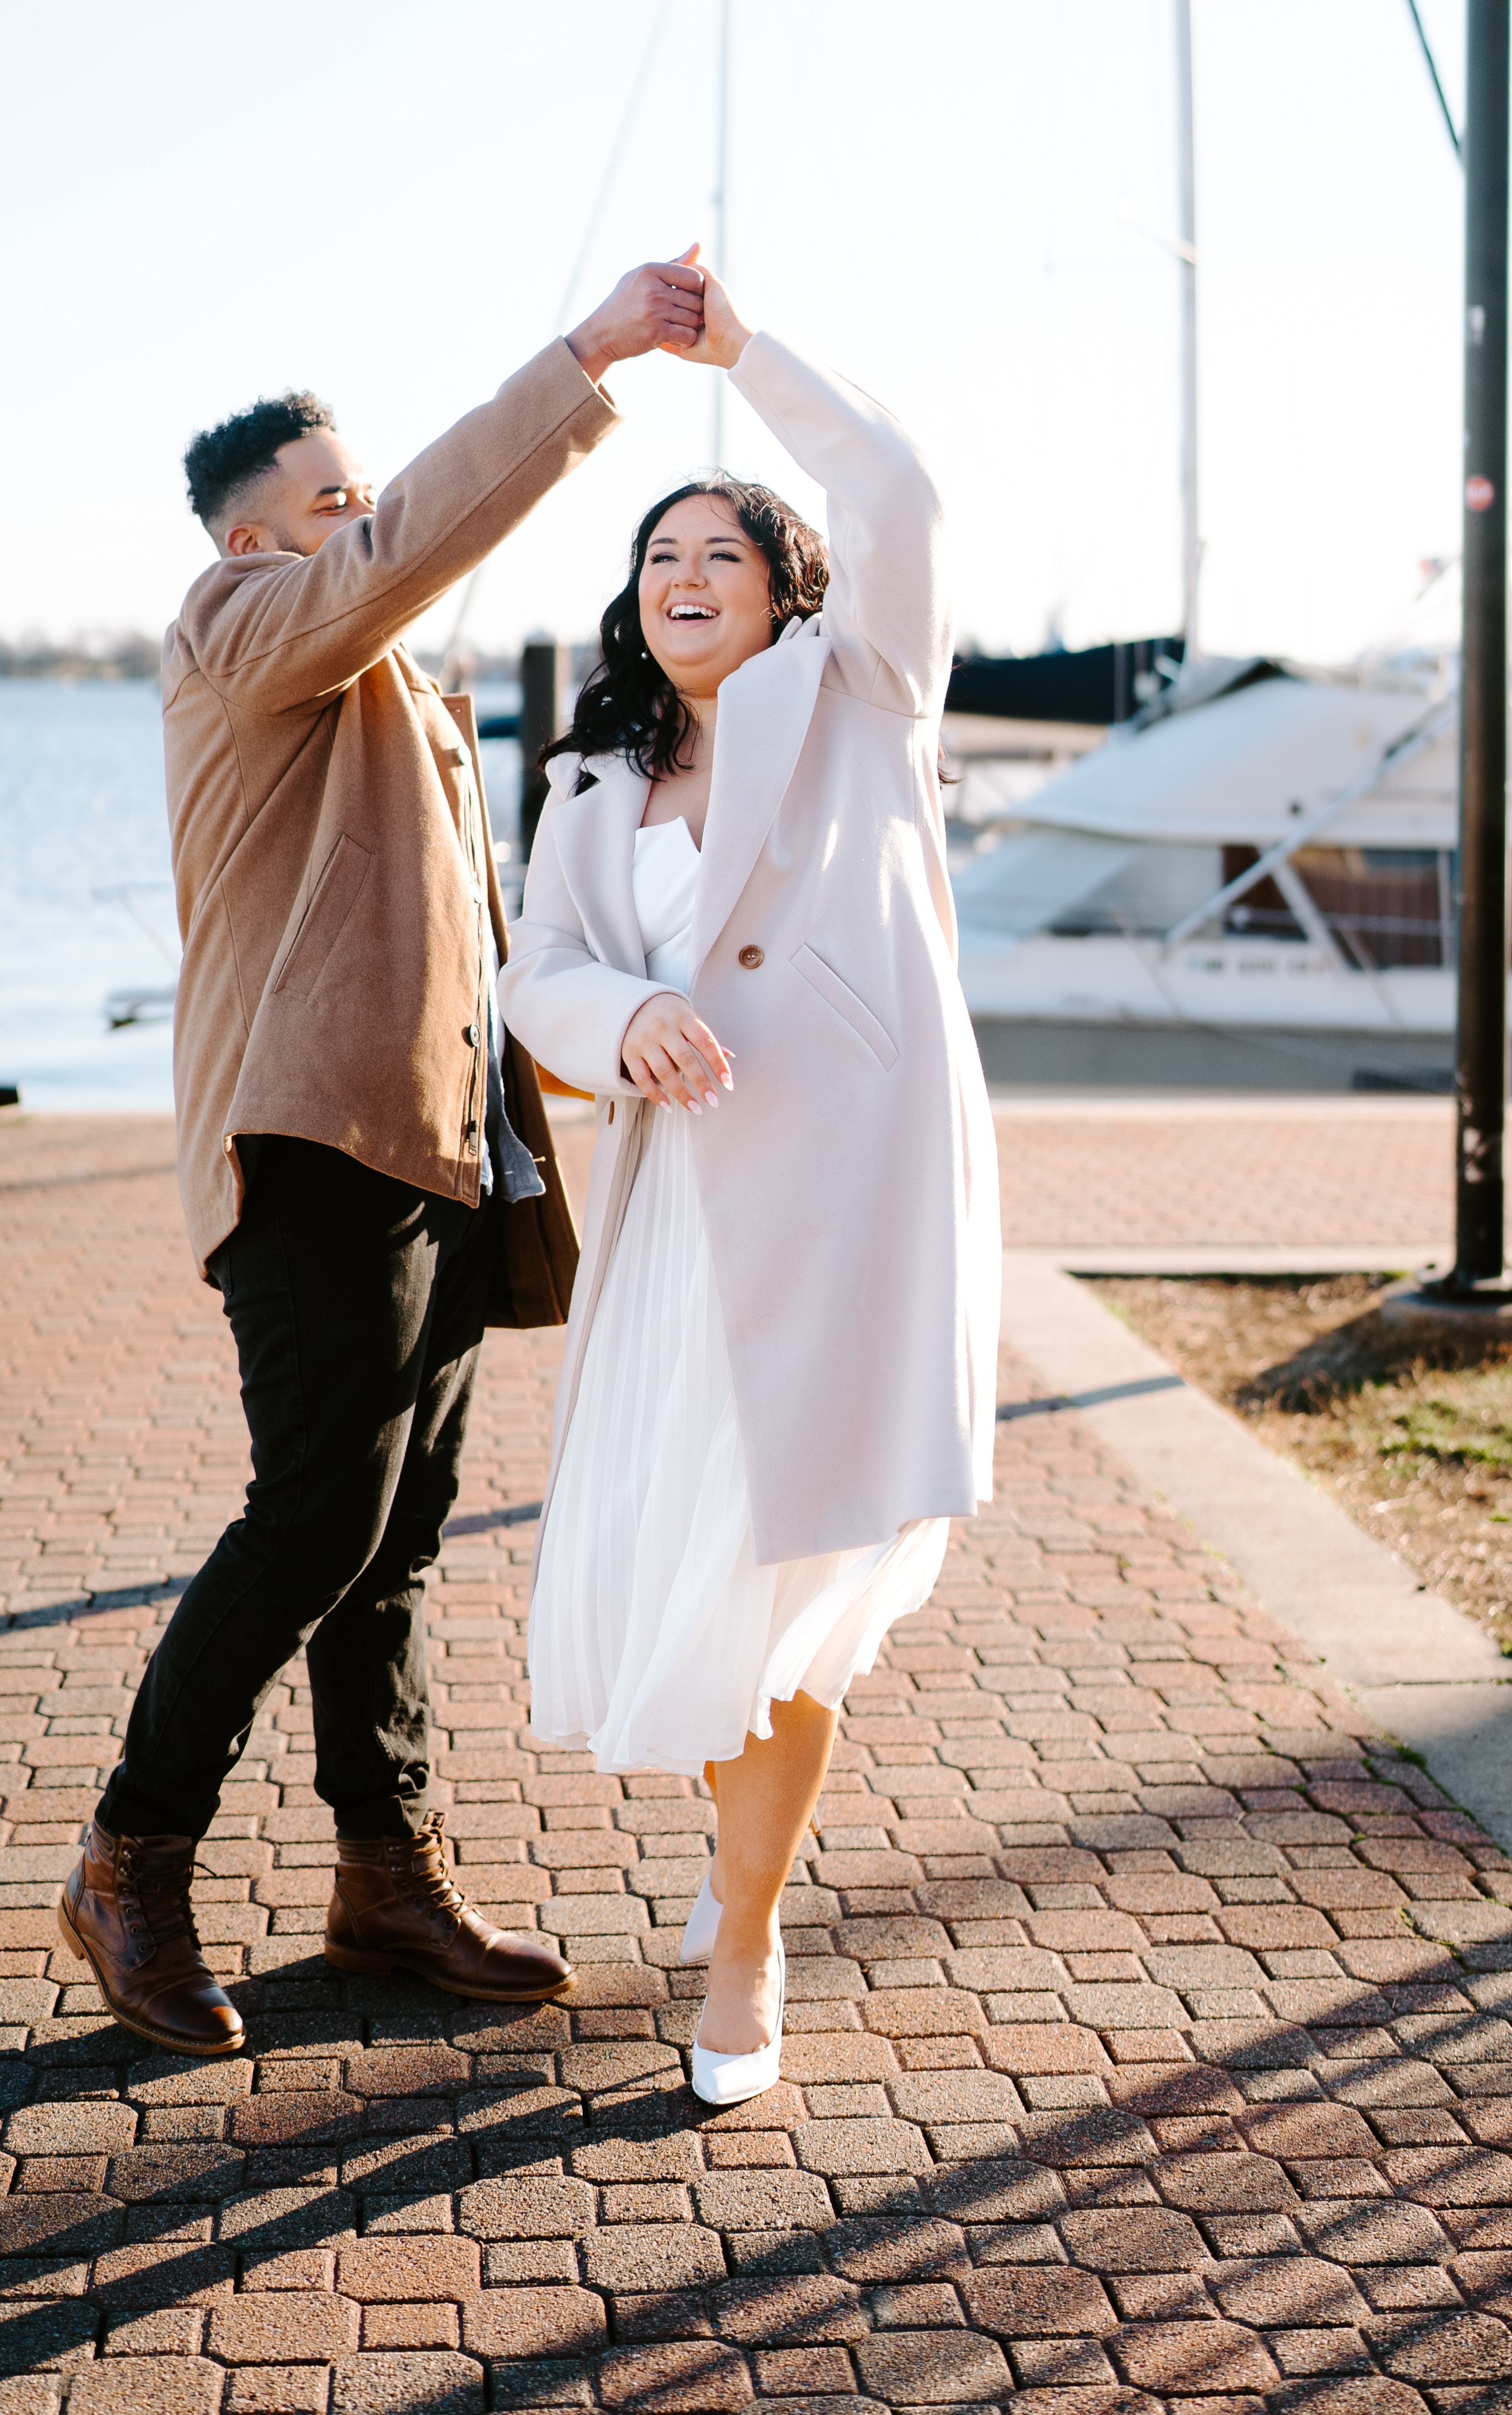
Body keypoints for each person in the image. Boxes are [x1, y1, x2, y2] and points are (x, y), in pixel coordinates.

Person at [58, 251, 708, 2056]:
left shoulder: (389, 688)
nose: (360, 524)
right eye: (329, 503)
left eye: (356, 496)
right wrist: (584, 360)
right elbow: (403, 543)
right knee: (317, 1520)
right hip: (308, 1145)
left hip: (430, 1148)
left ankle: (383, 1878)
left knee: (401, 1535)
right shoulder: (236, 630)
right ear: (257, 542)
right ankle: (132, 1858)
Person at [498, 265, 998, 2106]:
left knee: (784, 1601)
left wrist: (738, 354)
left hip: (843, 1220)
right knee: (704, 1597)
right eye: (659, 560)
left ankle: (744, 1941)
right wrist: (619, 1014)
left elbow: (904, 498)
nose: (685, 579)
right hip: (679, 1243)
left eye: (723, 552)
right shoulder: (587, 786)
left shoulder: (864, 694)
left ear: (787, 584)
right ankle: (743, 1902)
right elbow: (531, 970)